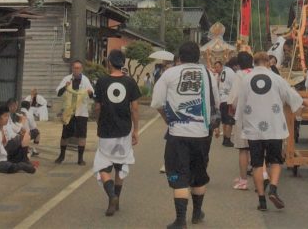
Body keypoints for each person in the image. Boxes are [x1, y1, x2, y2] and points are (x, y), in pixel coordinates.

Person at [152, 40, 219, 229]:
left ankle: (180, 220)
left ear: (179, 57)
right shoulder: (208, 74)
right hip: (202, 133)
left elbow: (157, 102)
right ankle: (197, 214)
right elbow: (216, 101)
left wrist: (167, 119)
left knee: (180, 175)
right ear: (198, 57)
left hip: (177, 133)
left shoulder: (169, 73)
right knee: (198, 173)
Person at [241, 51, 305, 211]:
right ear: (268, 63)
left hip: (254, 127)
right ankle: (273, 189)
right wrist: (305, 102)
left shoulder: (246, 79)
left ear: (254, 63)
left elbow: (240, 105)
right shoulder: (277, 79)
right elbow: (292, 96)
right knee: (275, 161)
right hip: (274, 127)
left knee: (256, 164)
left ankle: (261, 201)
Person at [94, 50, 141, 216]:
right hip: (124, 130)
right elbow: (134, 108)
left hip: (106, 129)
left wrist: (98, 121)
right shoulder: (130, 82)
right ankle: (116, 200)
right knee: (120, 165)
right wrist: (136, 130)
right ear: (123, 63)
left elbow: (98, 106)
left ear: (109, 63)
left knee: (103, 166)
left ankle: (111, 195)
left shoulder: (101, 81)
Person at [56, 59, 96, 165]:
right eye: (75, 68)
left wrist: (90, 92)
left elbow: (92, 94)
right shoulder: (67, 79)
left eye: (79, 68)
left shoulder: (86, 80)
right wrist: (65, 86)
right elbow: (58, 93)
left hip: (81, 112)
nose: (77, 70)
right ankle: (61, 156)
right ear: (72, 68)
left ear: (82, 69)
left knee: (82, 135)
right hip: (69, 111)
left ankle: (80, 158)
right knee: (65, 135)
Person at [228, 50, 254, 191]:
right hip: (259, 115)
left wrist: (232, 108)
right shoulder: (257, 73)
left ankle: (243, 180)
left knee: (243, 148)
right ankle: (261, 176)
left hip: (244, 115)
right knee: (257, 148)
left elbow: (234, 98)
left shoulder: (240, 75)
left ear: (238, 63)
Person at [0, 107, 33, 173]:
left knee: (20, 147)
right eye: (5, 116)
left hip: (4, 157)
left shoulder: (3, 127)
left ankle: (22, 161)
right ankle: (21, 165)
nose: (7, 118)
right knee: (11, 168)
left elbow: (3, 144)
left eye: (8, 116)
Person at [216, 60, 236, 146]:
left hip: (221, 99)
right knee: (229, 121)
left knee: (224, 121)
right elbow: (234, 84)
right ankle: (227, 139)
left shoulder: (223, 72)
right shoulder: (230, 71)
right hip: (228, 99)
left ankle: (225, 138)